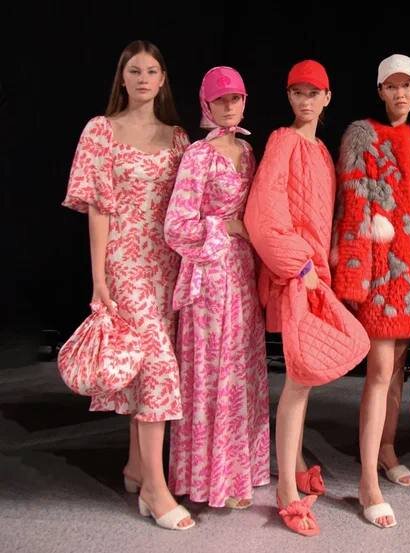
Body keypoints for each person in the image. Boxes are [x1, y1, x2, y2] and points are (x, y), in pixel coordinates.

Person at [62, 40, 193, 530]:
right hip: (124, 262)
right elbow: (98, 207)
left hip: (168, 264)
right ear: (122, 77)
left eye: (152, 71)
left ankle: (137, 467)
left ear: (163, 80)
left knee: (147, 366)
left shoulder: (178, 138)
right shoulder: (101, 130)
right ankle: (156, 489)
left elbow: (188, 203)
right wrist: (99, 277)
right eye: (134, 70)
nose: (143, 79)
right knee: (158, 367)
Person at [331, 53, 410, 528]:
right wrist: (354, 278)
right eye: (391, 86)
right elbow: (353, 204)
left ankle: (387, 448)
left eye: (406, 85)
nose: (399, 93)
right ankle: (367, 483)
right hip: (379, 271)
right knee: (377, 370)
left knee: (396, 371)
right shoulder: (362, 135)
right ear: (380, 91)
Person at [165, 66, 269, 511]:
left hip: (242, 273)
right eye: (221, 99)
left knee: (242, 370)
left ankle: (238, 473)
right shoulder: (198, 155)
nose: (230, 106)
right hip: (208, 276)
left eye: (236, 98)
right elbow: (176, 225)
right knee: (212, 372)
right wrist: (225, 226)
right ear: (206, 104)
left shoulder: (247, 151)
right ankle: (208, 479)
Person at [244, 59, 335, 536]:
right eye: (297, 92)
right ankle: (286, 492)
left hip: (314, 277)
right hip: (294, 275)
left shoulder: (321, 151)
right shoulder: (282, 141)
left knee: (305, 378)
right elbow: (262, 213)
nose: (304, 100)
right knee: (299, 378)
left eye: (312, 93)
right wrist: (298, 264)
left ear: (327, 98)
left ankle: (296, 464)